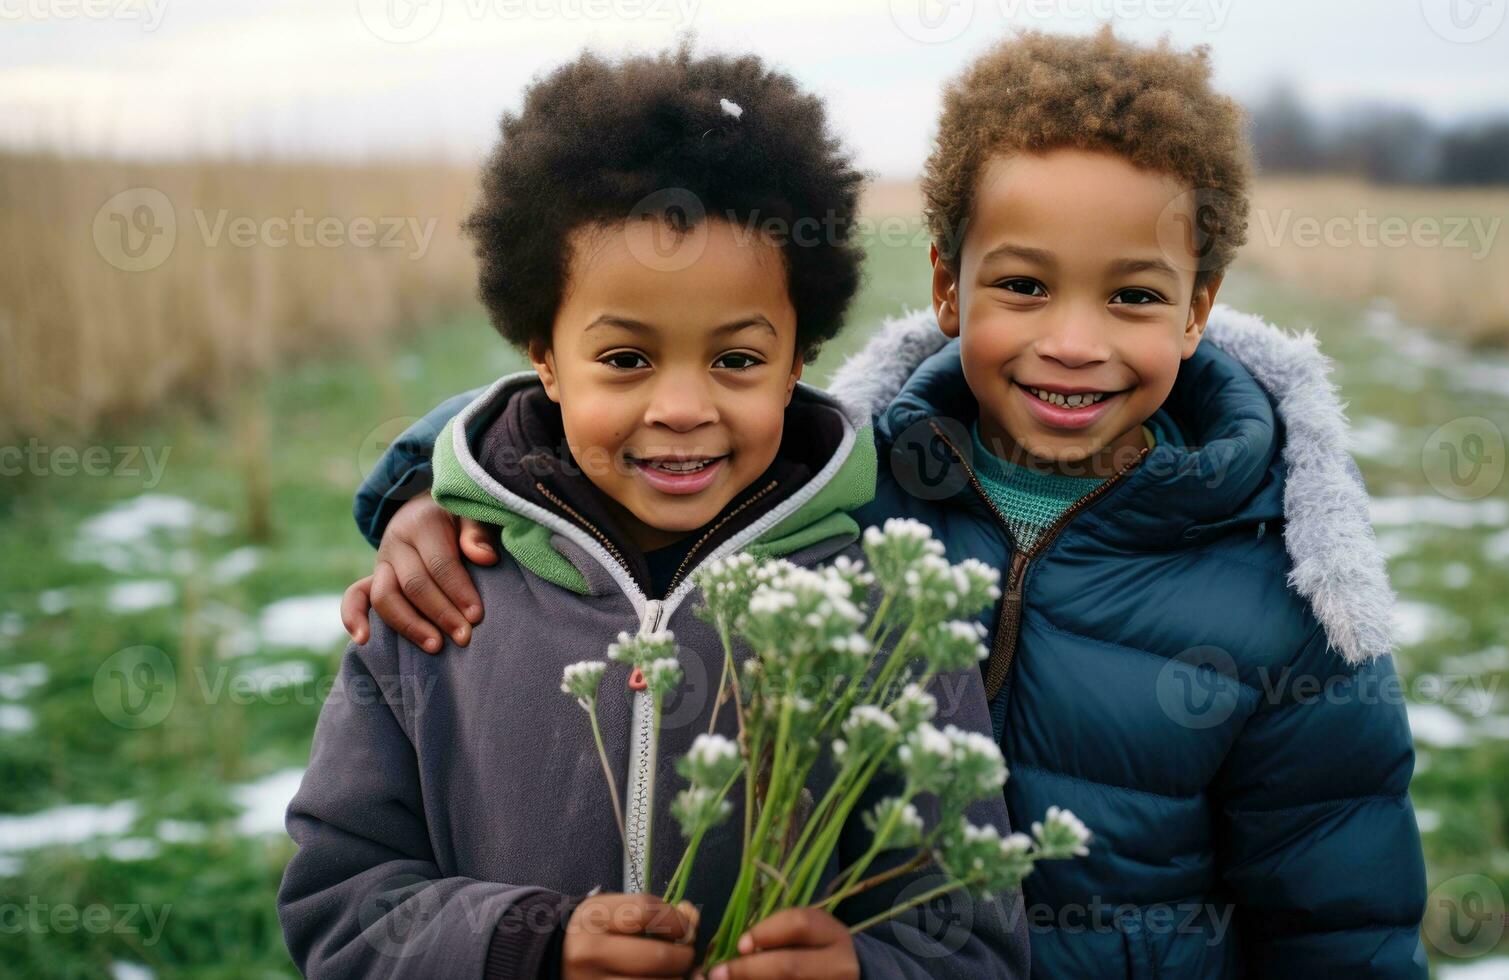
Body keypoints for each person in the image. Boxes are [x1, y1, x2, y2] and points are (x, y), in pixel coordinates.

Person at [347, 28, 1429, 978]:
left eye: (1133, 295)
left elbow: (1342, 921)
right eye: (1022, 285)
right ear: (946, 286)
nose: (1071, 340)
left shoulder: (1287, 589)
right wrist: (429, 490)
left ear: (1198, 309)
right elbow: (626, 396)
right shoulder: (842, 489)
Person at [278, 44, 1028, 980]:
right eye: (626, 359)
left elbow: (978, 941)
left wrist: (863, 971)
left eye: (738, 361)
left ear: (800, 357)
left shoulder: (885, 611)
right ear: (542, 355)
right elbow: (338, 906)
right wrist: (526, 946)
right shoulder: (436, 600)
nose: (682, 407)